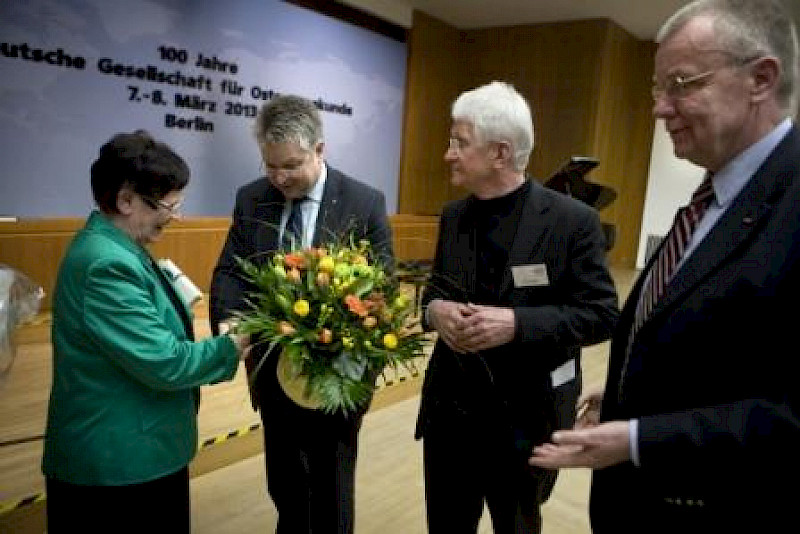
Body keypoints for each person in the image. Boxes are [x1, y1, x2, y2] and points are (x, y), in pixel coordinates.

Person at [529, 1, 800, 532]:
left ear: (761, 80)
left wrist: (637, 438)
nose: (659, 108)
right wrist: (629, 396)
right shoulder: (711, 198)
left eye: (680, 84)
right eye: (657, 88)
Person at [416, 81, 619, 533]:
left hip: (525, 422)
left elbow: (602, 314)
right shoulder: (453, 216)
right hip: (451, 418)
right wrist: (435, 312)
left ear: (500, 153)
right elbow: (432, 293)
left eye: (459, 142)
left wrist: (517, 324)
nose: (448, 154)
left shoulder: (573, 222)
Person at [41, 131, 250, 533]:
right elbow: (166, 361)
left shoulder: (118, 246)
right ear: (125, 201)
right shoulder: (105, 264)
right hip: (119, 466)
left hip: (137, 452)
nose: (176, 217)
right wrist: (234, 343)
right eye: (170, 206)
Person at [209, 94, 393, 534]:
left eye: (291, 165)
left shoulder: (363, 201)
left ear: (319, 150)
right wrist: (230, 318)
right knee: (285, 482)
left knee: (331, 486)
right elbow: (231, 268)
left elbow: (382, 285)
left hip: (339, 372)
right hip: (273, 370)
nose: (279, 177)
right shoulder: (252, 198)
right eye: (270, 165)